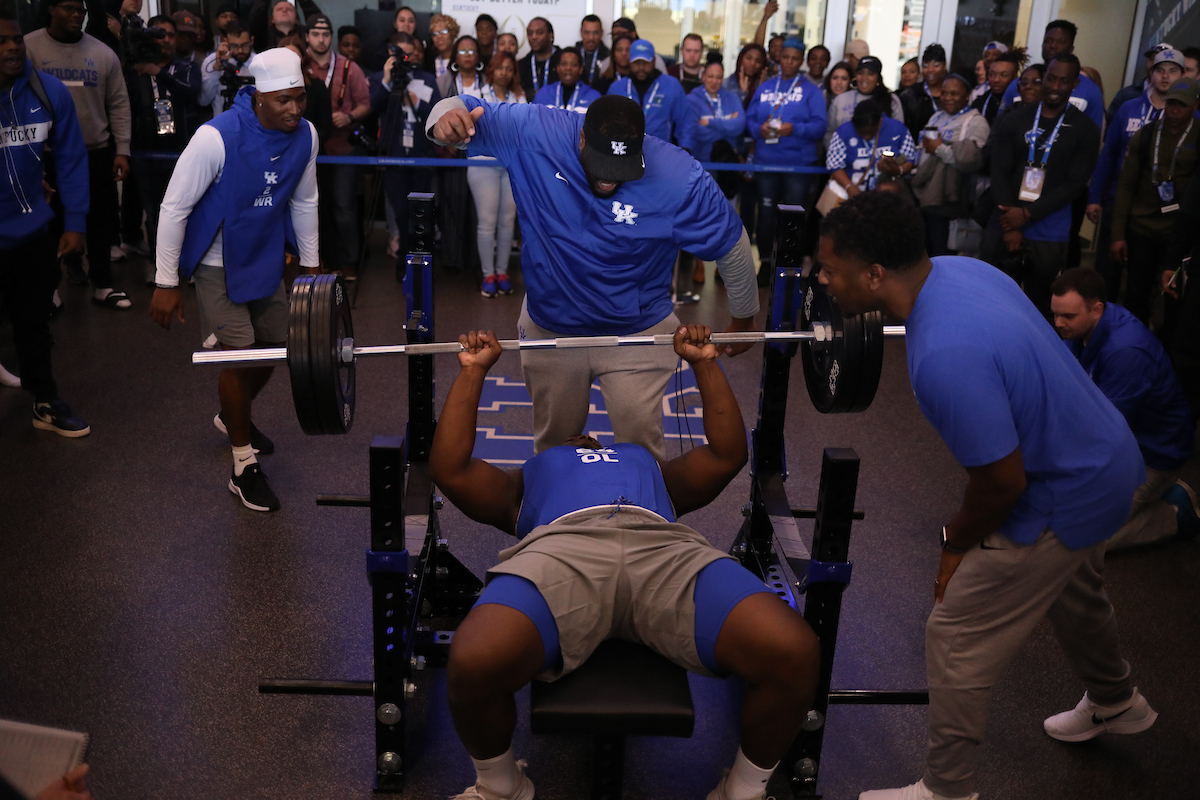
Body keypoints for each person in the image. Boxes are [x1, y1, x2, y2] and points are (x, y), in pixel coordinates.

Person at [814, 191, 1156, 800]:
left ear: (873, 275)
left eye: (830, 270)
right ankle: (1116, 699)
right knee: (1073, 588)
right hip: (1108, 454)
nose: (822, 280)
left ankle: (947, 790)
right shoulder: (961, 269)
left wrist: (954, 542)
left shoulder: (943, 354)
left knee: (957, 632)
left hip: (1066, 486)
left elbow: (1002, 482)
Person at [429, 324, 819, 800]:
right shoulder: (529, 477)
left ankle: (742, 791)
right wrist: (473, 373)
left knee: (795, 651)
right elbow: (450, 468)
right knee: (472, 661)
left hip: (662, 548)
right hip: (561, 552)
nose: (586, 436)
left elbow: (727, 453)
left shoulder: (648, 465)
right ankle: (500, 786)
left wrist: (704, 362)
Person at [426, 94, 760, 459]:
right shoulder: (536, 133)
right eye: (600, 164)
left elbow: (731, 242)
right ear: (582, 138)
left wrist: (742, 320)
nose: (607, 180)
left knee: (642, 451)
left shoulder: (679, 177)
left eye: (621, 169)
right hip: (551, 324)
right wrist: (444, 120)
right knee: (554, 449)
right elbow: (457, 106)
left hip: (638, 328)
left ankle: (643, 514)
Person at [149, 48, 320, 513]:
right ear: (259, 97)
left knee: (279, 347)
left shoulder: (306, 135)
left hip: (264, 255)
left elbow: (304, 202)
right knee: (241, 355)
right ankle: (243, 466)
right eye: (283, 100)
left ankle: (232, 414)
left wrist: (310, 267)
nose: (294, 109)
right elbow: (174, 207)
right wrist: (167, 283)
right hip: (215, 263)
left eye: (300, 98)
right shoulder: (216, 137)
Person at [1050, 267, 1197, 551]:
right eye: (1055, 314)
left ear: (1096, 309)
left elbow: (1103, 433)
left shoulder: (1125, 351)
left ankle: (1176, 515)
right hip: (1125, 442)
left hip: (1151, 455)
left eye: (1068, 316)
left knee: (1081, 542)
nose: (1058, 324)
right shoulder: (1087, 326)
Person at [0, 0, 91, 437]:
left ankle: (44, 400)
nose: (12, 47)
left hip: (33, 232)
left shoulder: (47, 91)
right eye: (1, 41)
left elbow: (72, 161)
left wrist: (75, 223)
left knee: (34, 324)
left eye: (16, 38)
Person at [25, 0, 133, 310]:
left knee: (99, 221)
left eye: (81, 10)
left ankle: (103, 285)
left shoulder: (102, 53)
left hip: (94, 151)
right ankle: (50, 289)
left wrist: (122, 149)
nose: (77, 15)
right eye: (69, 8)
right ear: (51, 9)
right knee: (49, 224)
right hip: (45, 154)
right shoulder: (29, 48)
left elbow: (119, 104)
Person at [982, 55, 1100, 319]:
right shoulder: (1014, 119)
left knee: (1040, 307)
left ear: (1075, 84)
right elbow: (999, 170)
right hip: (1003, 220)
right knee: (993, 300)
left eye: (1064, 81)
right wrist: (1011, 218)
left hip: (1049, 230)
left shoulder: (1086, 129)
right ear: (1044, 78)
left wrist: (1026, 215)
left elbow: (1075, 184)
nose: (1056, 86)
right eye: (1052, 78)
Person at [1089, 48, 1186, 304]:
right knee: (1107, 272)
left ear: (1183, 76)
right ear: (1151, 73)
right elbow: (1108, 155)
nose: (1166, 77)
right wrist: (1094, 197)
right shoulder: (1129, 107)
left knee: (1144, 282)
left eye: (1173, 71)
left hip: (1161, 211)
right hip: (1117, 201)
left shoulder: (1188, 116)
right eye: (1160, 70)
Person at [1109, 77, 1200, 324]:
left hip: (1178, 235)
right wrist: (1118, 234)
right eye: (1171, 103)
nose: (1174, 110)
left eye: (1181, 105)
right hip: (1142, 229)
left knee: (1173, 296)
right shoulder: (1146, 135)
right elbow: (1126, 185)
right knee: (1135, 294)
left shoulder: (1197, 137)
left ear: (1194, 105)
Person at [124, 14, 203, 283]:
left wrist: (159, 74)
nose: (166, 40)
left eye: (170, 34)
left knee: (186, 210)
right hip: (145, 152)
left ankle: (187, 264)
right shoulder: (134, 70)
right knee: (155, 213)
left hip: (182, 150)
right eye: (159, 35)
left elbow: (192, 92)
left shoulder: (186, 67)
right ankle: (159, 267)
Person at [747, 37, 826, 268]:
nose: (789, 62)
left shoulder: (811, 91)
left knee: (792, 215)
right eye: (786, 57)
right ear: (779, 58)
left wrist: (795, 129)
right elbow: (750, 119)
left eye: (795, 58)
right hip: (766, 161)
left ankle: (788, 265)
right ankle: (764, 263)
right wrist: (758, 129)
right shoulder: (765, 87)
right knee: (766, 213)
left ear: (801, 61)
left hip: (798, 164)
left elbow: (821, 125)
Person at [306, 13, 370, 279]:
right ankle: (316, 260)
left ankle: (348, 261)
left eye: (326, 34)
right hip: (309, 150)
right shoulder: (301, 66)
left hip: (343, 147)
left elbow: (366, 104)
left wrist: (350, 116)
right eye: (315, 34)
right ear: (307, 37)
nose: (321, 39)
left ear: (331, 37)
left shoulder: (348, 67)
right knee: (311, 207)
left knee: (344, 206)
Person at [368, 31, 439, 269]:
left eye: (410, 54)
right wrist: (388, 80)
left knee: (421, 213)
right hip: (392, 155)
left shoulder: (428, 79)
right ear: (390, 53)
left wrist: (415, 100)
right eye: (400, 54)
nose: (405, 59)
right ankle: (403, 262)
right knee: (400, 212)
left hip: (422, 155)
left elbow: (434, 117)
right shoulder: (379, 78)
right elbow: (373, 107)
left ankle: (421, 264)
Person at [912, 74, 989, 256]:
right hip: (926, 192)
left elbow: (970, 162)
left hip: (950, 198)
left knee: (942, 253)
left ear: (967, 95)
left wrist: (940, 149)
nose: (947, 98)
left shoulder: (976, 123)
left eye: (954, 94)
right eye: (944, 93)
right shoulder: (935, 117)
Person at [468, 50, 524, 297]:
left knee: (507, 222)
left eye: (509, 68)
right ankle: (487, 274)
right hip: (483, 164)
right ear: (492, 69)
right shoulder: (477, 95)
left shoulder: (519, 97)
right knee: (487, 222)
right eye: (500, 68)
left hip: (511, 164)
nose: (504, 73)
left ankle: (502, 272)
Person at [1001, 20, 1104, 130]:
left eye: (1061, 42)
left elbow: (1093, 135)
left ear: (1071, 48)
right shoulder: (1020, 84)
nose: (1053, 46)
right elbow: (1001, 127)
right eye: (1048, 41)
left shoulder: (1091, 91)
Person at [826, 99, 917, 197]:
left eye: (870, 132)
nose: (866, 136)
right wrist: (849, 187)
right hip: (851, 186)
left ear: (879, 122)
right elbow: (834, 166)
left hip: (886, 187)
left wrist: (897, 170)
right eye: (862, 132)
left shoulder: (898, 129)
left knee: (887, 190)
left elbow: (910, 159)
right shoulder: (843, 133)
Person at [607, 39, 688, 143]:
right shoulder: (616, 88)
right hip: (625, 152)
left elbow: (685, 122)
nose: (641, 68)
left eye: (646, 63)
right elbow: (608, 125)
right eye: (636, 63)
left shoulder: (671, 85)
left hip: (661, 152)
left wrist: (685, 148)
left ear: (654, 61)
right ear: (629, 62)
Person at [826, 55, 904, 143]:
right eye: (860, 73)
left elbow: (899, 132)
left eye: (870, 74)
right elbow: (829, 132)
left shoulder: (891, 100)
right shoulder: (840, 100)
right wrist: (836, 153)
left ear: (878, 78)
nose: (864, 78)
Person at [681, 55, 745, 161]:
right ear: (704, 76)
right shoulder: (691, 100)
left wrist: (710, 123)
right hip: (702, 161)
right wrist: (728, 126)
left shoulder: (732, 98)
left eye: (718, 77)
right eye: (710, 76)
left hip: (728, 160)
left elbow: (740, 126)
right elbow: (696, 131)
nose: (714, 81)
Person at [278, 33, 331, 147]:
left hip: (311, 150)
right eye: (286, 57)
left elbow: (326, 128)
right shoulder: (268, 90)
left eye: (295, 57)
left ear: (303, 59)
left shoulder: (317, 86)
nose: (290, 61)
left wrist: (303, 147)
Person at [200, 19, 255, 118]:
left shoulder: (259, 63)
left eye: (245, 45)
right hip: (221, 122)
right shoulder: (211, 61)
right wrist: (217, 68)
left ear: (252, 41)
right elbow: (203, 100)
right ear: (225, 42)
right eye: (234, 46)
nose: (240, 50)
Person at [1106, 42, 1172, 122]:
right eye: (1152, 59)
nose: (1155, 64)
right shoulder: (1126, 94)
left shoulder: (1178, 98)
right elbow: (1109, 126)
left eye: (1161, 61)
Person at [900, 43, 947, 139]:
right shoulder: (910, 95)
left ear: (944, 66)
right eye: (925, 66)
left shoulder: (951, 94)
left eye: (936, 65)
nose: (930, 70)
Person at [534, 47, 599, 113]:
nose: (568, 68)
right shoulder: (543, 93)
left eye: (574, 65)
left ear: (581, 69)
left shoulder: (593, 96)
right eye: (564, 64)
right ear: (558, 68)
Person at [969, 49, 1021, 125]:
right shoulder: (979, 102)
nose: (996, 80)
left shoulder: (1022, 102)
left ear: (1015, 77)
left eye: (1004, 75)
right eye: (992, 75)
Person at [518, 17, 559, 101]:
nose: (534, 37)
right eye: (530, 33)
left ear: (550, 35)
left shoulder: (563, 62)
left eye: (539, 33)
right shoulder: (521, 66)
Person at [724, 42, 767, 109]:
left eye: (758, 61)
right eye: (748, 58)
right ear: (741, 59)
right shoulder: (727, 84)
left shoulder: (767, 83)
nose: (753, 63)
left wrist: (761, 90)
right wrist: (742, 93)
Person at [576, 14, 607, 86]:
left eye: (595, 33)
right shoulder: (572, 55)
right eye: (587, 32)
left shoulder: (609, 57)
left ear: (601, 33)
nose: (591, 38)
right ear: (581, 32)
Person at [425, 13, 458, 78]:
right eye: (435, 33)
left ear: (452, 33)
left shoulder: (461, 59)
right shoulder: (429, 62)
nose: (439, 36)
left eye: (444, 32)